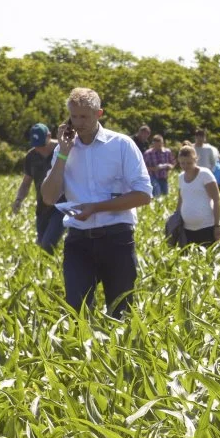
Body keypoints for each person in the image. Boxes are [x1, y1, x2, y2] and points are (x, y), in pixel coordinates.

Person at [41, 88, 152, 318]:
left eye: (85, 116)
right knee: (77, 313)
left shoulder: (121, 145)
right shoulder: (64, 149)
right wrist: (62, 153)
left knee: (120, 313)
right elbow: (49, 197)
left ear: (99, 113)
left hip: (117, 238)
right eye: (74, 116)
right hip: (78, 241)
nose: (78, 123)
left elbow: (143, 195)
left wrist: (96, 207)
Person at [11, 123, 67, 253]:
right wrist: (18, 199)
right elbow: (26, 183)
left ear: (49, 136)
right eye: (35, 145)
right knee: (41, 246)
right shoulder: (31, 156)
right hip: (43, 207)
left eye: (41, 145)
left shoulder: (63, 150)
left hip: (61, 205)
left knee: (48, 245)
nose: (39, 149)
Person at [175, 145, 220, 248]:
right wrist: (176, 219)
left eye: (189, 163)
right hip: (187, 229)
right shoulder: (181, 177)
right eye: (182, 163)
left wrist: (217, 225)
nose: (185, 166)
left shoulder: (205, 174)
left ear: (195, 159)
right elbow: (181, 200)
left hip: (206, 227)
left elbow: (216, 200)